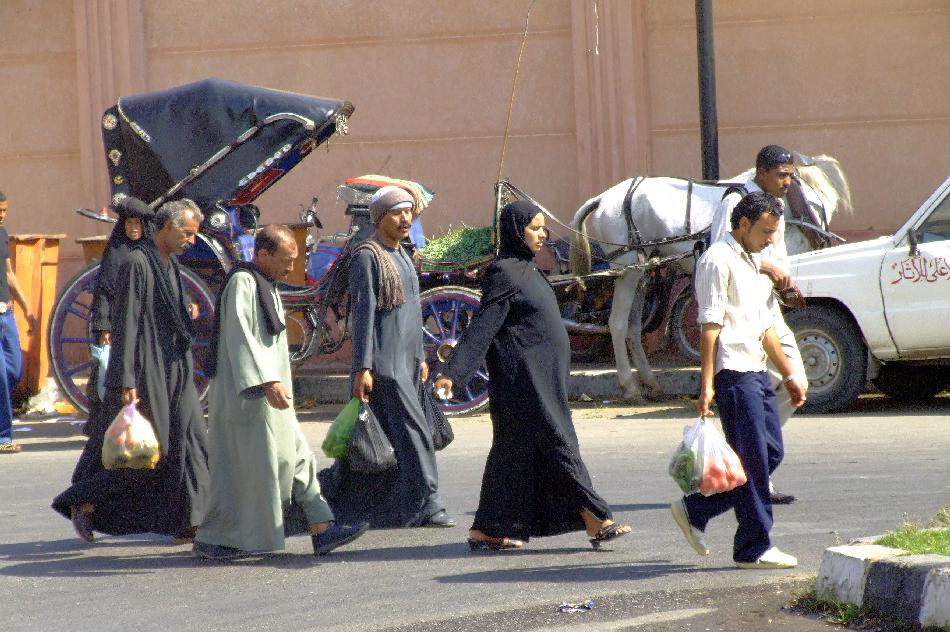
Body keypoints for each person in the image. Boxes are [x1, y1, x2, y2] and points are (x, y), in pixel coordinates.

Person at [433, 200, 632, 551]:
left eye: (543, 228)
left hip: (542, 378)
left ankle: (489, 528)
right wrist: (453, 372)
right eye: (534, 228)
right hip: (524, 378)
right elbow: (485, 324)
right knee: (559, 441)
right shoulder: (505, 272)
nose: (543, 234)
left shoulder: (526, 269)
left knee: (513, 453)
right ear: (515, 231)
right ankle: (596, 519)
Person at [194, 225, 368, 560]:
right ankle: (216, 538)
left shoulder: (266, 285)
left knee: (297, 456)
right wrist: (266, 382)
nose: (291, 268)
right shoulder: (243, 283)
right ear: (262, 254)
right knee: (248, 472)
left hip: (273, 394)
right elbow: (242, 336)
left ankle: (322, 527)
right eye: (285, 261)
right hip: (249, 396)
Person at [52, 199, 210, 543]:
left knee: (194, 441)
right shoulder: (137, 262)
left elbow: (167, 306)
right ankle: (84, 499)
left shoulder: (168, 262)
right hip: (147, 367)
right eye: (187, 233)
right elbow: (127, 322)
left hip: (176, 365)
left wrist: (187, 309)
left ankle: (191, 521)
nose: (192, 241)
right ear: (166, 227)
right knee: (153, 452)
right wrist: (125, 378)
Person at [671, 191, 807, 569]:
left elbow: (765, 329)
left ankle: (696, 508)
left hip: (758, 370)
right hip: (733, 374)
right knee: (755, 461)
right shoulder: (717, 261)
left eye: (774, 233)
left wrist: (790, 373)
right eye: (766, 231)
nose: (770, 240)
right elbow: (710, 326)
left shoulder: (751, 261)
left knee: (770, 454)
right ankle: (754, 546)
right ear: (743, 224)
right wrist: (707, 385)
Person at [318, 186, 453, 529]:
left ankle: (342, 501)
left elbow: (411, 314)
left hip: (407, 363)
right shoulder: (368, 256)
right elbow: (363, 315)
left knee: (381, 438)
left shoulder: (402, 254)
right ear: (380, 218)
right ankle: (430, 504)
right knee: (416, 434)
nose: (405, 218)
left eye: (408, 212)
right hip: (385, 366)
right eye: (396, 212)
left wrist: (421, 356)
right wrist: (363, 367)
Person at [709, 144, 810, 505]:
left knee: (795, 379)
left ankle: (755, 465)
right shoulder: (738, 201)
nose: (788, 181)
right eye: (782, 175)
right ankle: (752, 473)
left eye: (791, 175)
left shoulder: (776, 206)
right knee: (756, 394)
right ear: (761, 171)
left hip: (768, 307)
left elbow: (774, 254)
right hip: (742, 313)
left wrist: (786, 283)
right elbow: (725, 249)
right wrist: (770, 269)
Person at [86, 196, 152, 430]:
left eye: (138, 224)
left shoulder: (150, 251)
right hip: (119, 324)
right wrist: (104, 326)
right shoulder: (116, 251)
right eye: (129, 224)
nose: (133, 229)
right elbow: (104, 290)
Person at [0, 191, 37, 454]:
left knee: (14, 370)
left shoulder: (2, 234)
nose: (2, 215)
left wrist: (26, 309)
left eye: (4, 211)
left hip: (7, 314)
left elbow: (9, 273)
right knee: (1, 375)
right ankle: (4, 437)